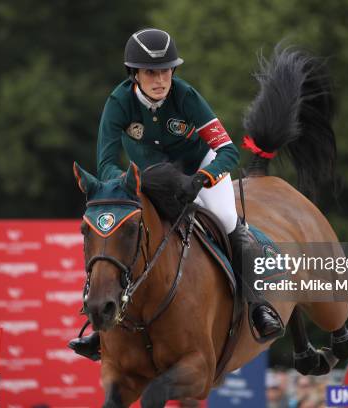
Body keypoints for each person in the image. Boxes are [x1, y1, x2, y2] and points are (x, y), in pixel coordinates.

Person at [69, 28, 283, 360]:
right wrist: (135, 182)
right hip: (149, 179)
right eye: (151, 72)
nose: (160, 79)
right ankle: (99, 324)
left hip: (199, 168)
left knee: (227, 219)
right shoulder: (118, 103)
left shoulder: (186, 96)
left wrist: (201, 179)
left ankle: (258, 306)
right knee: (116, 235)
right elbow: (106, 164)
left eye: (166, 70)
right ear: (135, 74)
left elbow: (226, 150)